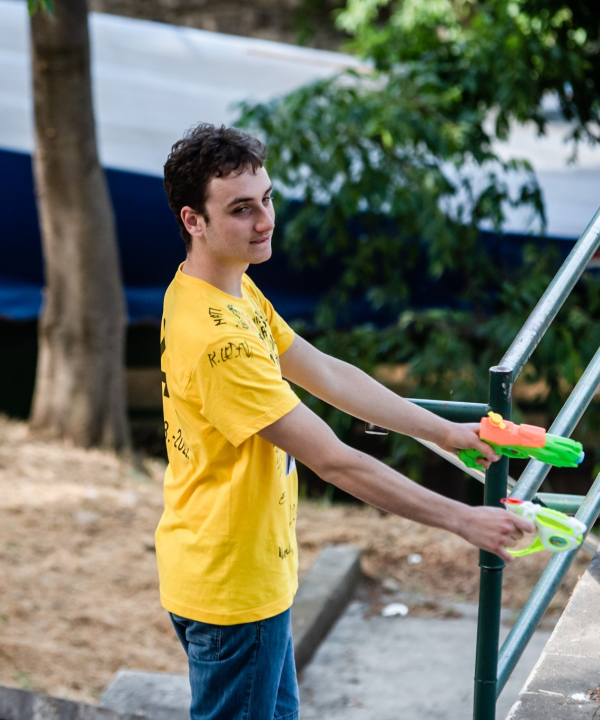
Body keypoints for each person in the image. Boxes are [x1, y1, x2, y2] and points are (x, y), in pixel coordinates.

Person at [157, 123, 532, 720]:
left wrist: (443, 432)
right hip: (232, 588)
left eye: (268, 199)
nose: (264, 221)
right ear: (193, 221)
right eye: (241, 209)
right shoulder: (219, 342)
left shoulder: (228, 291)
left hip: (237, 574)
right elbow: (333, 459)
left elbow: (329, 374)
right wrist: (462, 519)